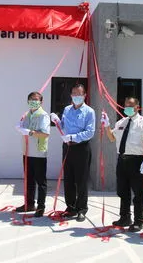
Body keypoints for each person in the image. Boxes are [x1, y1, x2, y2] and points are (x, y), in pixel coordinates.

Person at [103, 97, 143, 232]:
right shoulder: (121, 122)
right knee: (122, 191)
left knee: (137, 192)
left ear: (138, 107)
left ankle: (138, 221)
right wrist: (107, 126)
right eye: (126, 105)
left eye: (131, 105)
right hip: (122, 160)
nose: (128, 108)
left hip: (136, 161)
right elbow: (112, 138)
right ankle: (125, 217)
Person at [50, 83, 95, 222]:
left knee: (81, 180)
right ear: (70, 95)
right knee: (68, 179)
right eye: (74, 94)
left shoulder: (89, 112)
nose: (77, 96)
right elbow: (63, 126)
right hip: (68, 147)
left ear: (84, 95)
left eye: (79, 94)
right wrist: (57, 121)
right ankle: (70, 207)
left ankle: (82, 209)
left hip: (81, 147)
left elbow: (90, 132)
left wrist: (73, 137)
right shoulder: (67, 109)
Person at [15, 91, 50, 217]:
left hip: (39, 152)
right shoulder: (27, 114)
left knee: (40, 181)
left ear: (41, 102)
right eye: (31, 99)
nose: (33, 101)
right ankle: (29, 203)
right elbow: (23, 128)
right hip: (27, 152)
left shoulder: (43, 115)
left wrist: (29, 132)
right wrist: (19, 127)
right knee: (28, 180)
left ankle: (41, 207)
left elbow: (45, 133)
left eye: (36, 99)